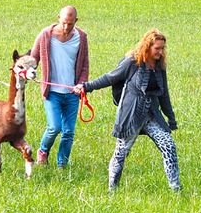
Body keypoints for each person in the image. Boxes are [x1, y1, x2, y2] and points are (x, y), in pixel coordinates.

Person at [74, 29, 180, 191]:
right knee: (121, 152)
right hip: (131, 115)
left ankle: (176, 188)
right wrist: (86, 87)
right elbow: (110, 77)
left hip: (152, 115)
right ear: (148, 46)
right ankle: (112, 189)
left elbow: (164, 93)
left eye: (162, 48)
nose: (160, 51)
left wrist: (170, 118)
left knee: (169, 146)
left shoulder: (160, 66)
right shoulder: (132, 62)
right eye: (157, 48)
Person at [30, 5, 90, 168]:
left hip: (72, 93)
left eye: (70, 23)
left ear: (75, 21)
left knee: (69, 132)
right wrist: (29, 71)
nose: (66, 27)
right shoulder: (45, 35)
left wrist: (81, 84)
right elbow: (33, 59)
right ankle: (43, 151)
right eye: (64, 22)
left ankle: (62, 163)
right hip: (52, 93)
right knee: (54, 127)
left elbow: (84, 65)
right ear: (58, 18)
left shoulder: (81, 37)